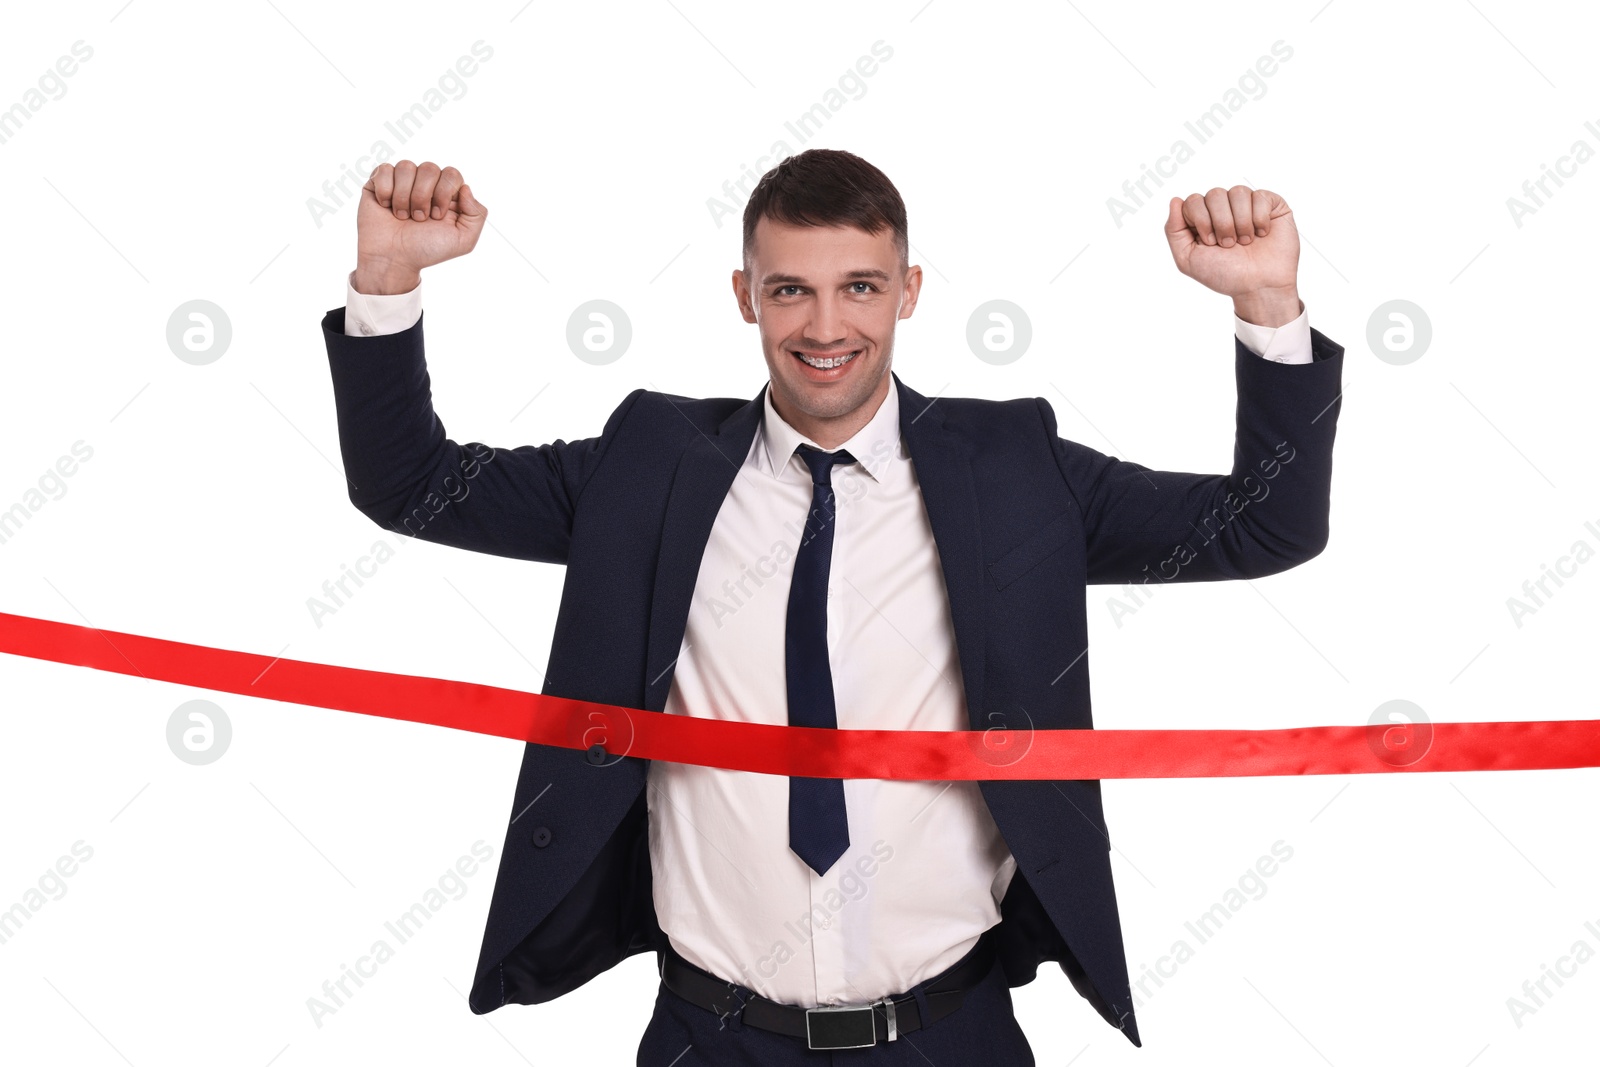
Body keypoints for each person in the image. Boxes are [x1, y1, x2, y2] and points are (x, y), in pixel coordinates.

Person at [319, 149, 1343, 1062]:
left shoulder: (1016, 470)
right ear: (744, 296)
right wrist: (389, 280)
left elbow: (1265, 528)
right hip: (709, 1033)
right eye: (788, 290)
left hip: (953, 1031)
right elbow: (411, 483)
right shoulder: (649, 465)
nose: (823, 326)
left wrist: (1264, 306)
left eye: (858, 286)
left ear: (907, 291)